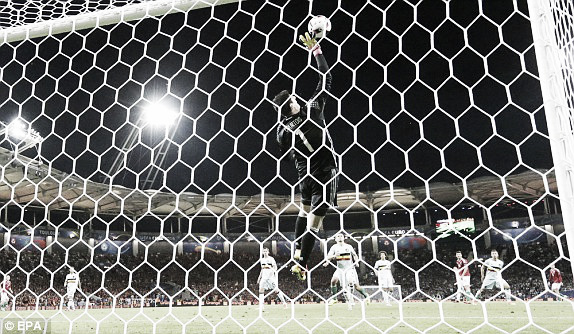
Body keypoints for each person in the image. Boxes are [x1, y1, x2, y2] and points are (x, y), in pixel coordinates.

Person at [273, 31, 337, 281]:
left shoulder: (281, 131)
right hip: (324, 172)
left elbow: (285, 154)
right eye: (293, 98)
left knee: (303, 212)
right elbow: (326, 78)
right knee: (315, 222)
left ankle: (296, 253)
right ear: (292, 105)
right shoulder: (312, 110)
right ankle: (302, 263)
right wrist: (317, 50)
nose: (296, 97)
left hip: (304, 175)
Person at [323, 233, 369, 309]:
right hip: (340, 269)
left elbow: (354, 255)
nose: (340, 237)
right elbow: (328, 257)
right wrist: (329, 260)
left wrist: (356, 262)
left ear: (344, 238)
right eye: (338, 236)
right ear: (335, 239)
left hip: (349, 268)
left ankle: (362, 296)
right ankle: (334, 299)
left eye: (341, 236)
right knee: (333, 281)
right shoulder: (334, 247)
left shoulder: (348, 246)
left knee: (353, 284)